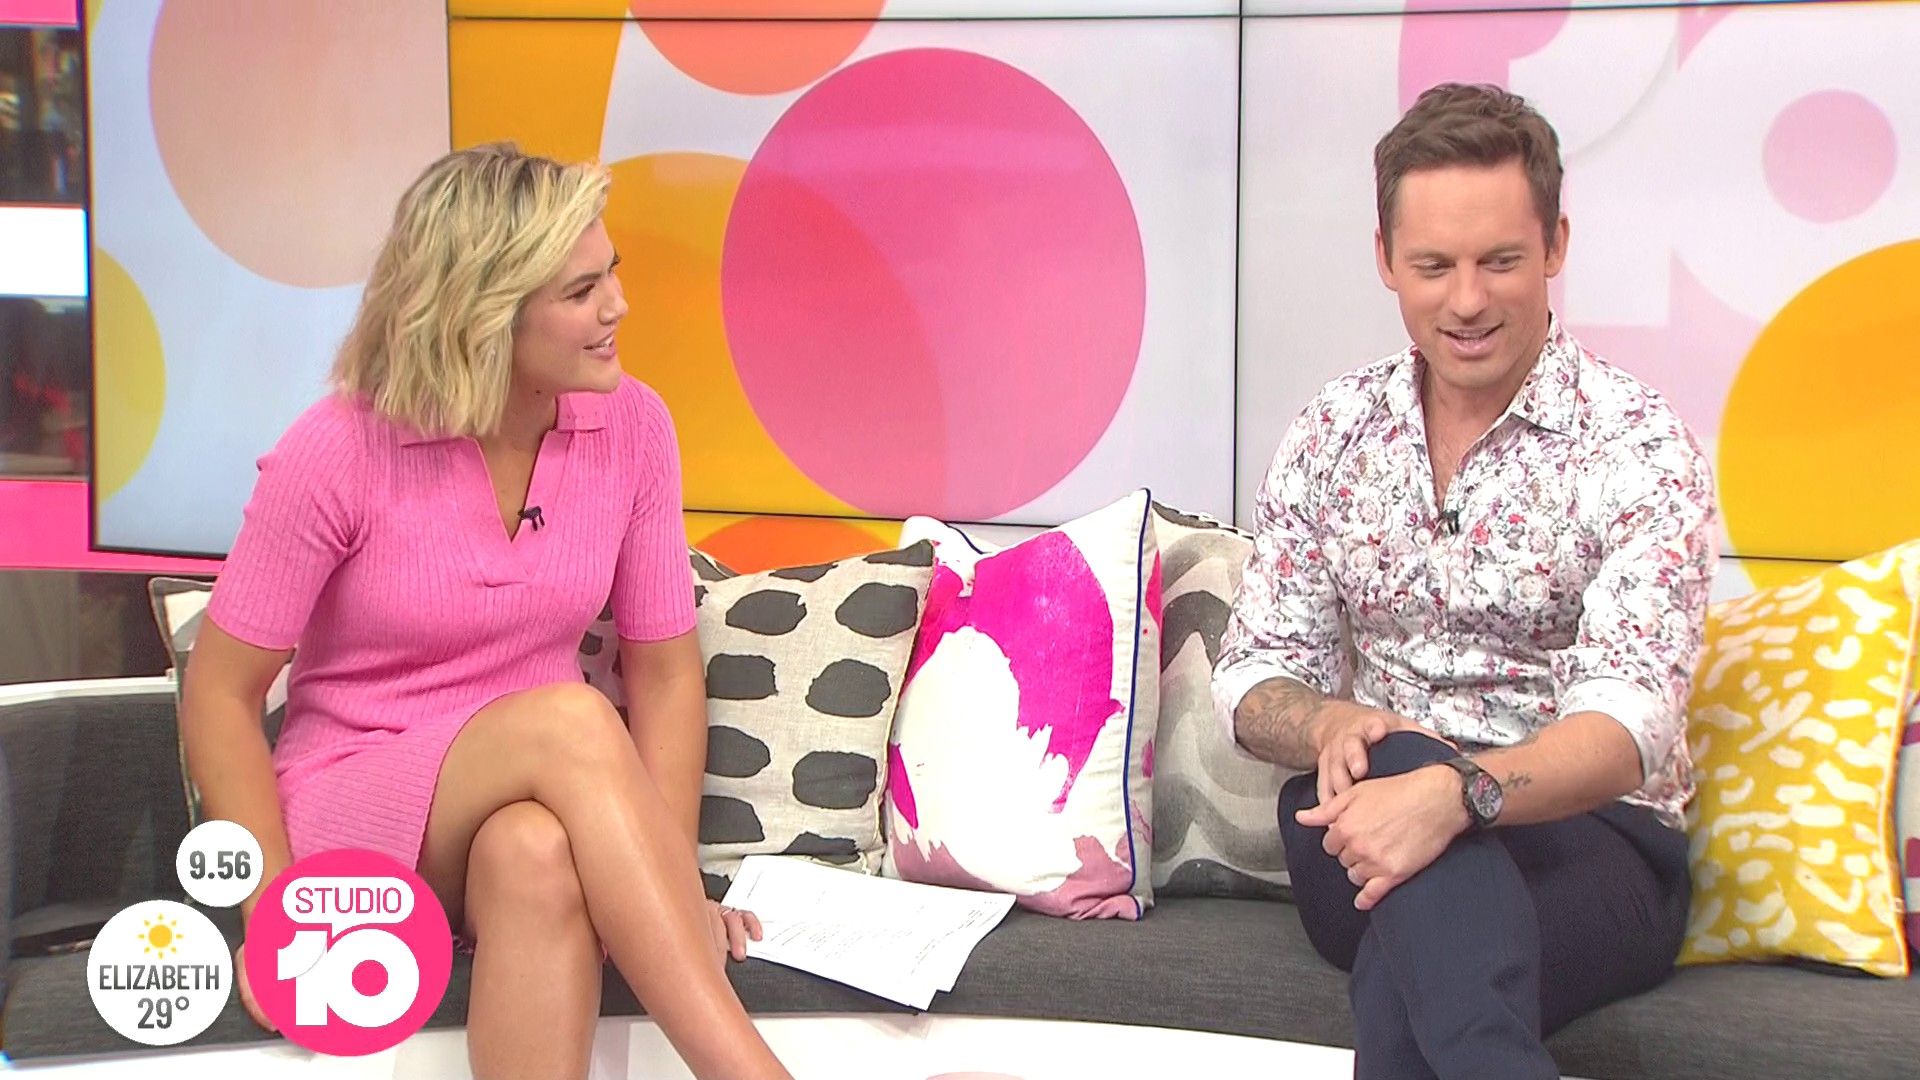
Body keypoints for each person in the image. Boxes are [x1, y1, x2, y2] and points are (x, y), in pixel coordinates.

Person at [180, 143, 795, 1080]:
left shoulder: (634, 428)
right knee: (573, 719)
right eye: (581, 290)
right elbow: (220, 692)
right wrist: (273, 909)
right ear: (485, 313)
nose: (618, 306)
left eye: (611, 273)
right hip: (353, 801)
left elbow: (666, 672)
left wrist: (666, 888)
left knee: (534, 854)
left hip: (524, 800)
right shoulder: (338, 449)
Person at [1213, 83, 1717, 1080]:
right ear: (1386, 259)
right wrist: (1329, 725)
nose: (1469, 301)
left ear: (1555, 245)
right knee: (1395, 768)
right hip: (1361, 823)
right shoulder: (1333, 431)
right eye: (1434, 266)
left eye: (1501, 261)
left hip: (1594, 845)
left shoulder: (1638, 444)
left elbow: (1631, 727)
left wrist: (1459, 793)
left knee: (1415, 974)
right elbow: (1251, 678)